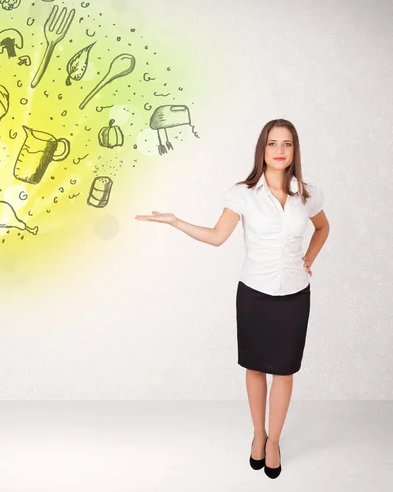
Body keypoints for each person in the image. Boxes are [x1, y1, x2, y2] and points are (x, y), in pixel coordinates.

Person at [135, 119, 330, 479]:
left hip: (294, 294)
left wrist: (308, 259)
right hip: (254, 292)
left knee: (284, 371)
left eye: (286, 144)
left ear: (294, 150)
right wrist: (176, 222)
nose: (279, 150)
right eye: (273, 143)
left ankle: (275, 442)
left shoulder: (306, 193)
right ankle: (259, 435)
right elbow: (216, 236)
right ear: (263, 149)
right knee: (255, 367)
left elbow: (323, 228)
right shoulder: (243, 193)